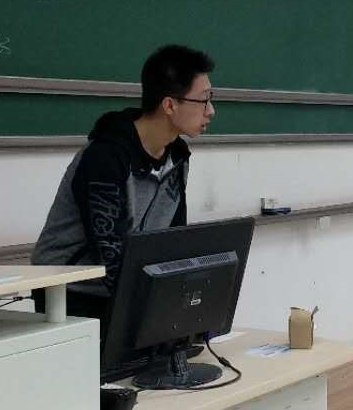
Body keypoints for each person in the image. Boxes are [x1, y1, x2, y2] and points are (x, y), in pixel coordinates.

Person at [32, 44, 216, 318]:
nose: (211, 111)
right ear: (169, 105)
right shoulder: (106, 156)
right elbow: (109, 253)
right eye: (204, 100)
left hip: (126, 291)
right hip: (70, 296)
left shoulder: (177, 156)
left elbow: (174, 239)